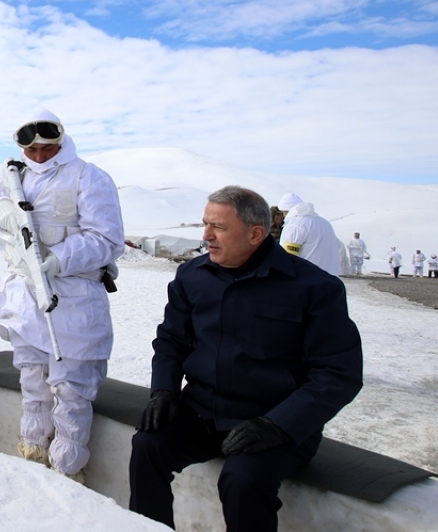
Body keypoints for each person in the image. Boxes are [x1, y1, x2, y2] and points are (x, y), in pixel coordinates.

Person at [130, 186, 364, 532]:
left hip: (274, 424)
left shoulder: (313, 288)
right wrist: (163, 390)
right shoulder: (193, 276)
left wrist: (279, 425)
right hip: (203, 410)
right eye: (205, 224)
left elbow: (337, 373)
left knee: (243, 480)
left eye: (218, 228)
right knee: (148, 446)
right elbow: (171, 340)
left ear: (256, 234)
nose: (206, 236)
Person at [0, 109, 123, 482]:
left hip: (74, 301)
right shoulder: (18, 176)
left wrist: (60, 259)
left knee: (71, 394)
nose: (40, 156)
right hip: (25, 302)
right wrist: (6, 212)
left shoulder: (88, 177)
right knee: (33, 386)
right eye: (33, 150)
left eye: (47, 148)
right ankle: (32, 459)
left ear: (60, 141)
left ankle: (66, 475)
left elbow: (107, 239)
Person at [277, 193, 343, 276]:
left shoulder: (295, 225)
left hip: (307, 280)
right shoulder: (325, 223)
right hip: (331, 280)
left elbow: (288, 257)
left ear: (285, 211)